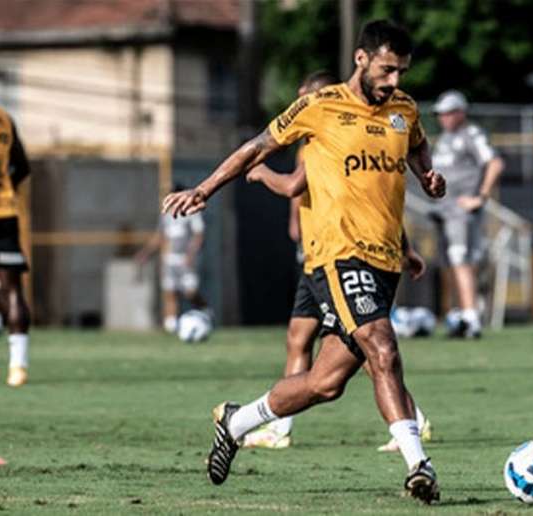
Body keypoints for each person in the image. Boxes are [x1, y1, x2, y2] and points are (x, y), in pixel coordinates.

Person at [163, 20, 445, 503]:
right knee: (383, 347)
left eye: (401, 72)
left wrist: (426, 176)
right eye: (387, 70)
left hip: (383, 262)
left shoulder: (405, 110)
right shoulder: (320, 107)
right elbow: (256, 148)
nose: (394, 81)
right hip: (336, 257)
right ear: (361, 59)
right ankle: (419, 466)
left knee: (326, 382)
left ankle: (238, 420)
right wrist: (203, 190)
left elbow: (416, 147)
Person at [242, 71, 433, 453]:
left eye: (303, 98)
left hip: (335, 260)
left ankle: (411, 422)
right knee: (319, 343)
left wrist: (262, 173)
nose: (296, 106)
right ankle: (276, 426)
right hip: (318, 257)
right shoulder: (312, 139)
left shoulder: (328, 134)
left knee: (366, 348)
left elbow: (299, 186)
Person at [430, 90, 504, 339]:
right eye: (441, 114)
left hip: (460, 211)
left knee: (461, 259)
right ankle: (460, 314)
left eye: (449, 113)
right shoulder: (445, 139)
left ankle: (472, 317)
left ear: (461, 112)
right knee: (449, 263)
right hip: (442, 210)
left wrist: (480, 197)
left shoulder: (470, 134)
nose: (444, 118)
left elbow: (494, 163)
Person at [135, 183, 209, 333]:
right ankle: (171, 325)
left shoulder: (192, 212)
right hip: (169, 259)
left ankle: (205, 311)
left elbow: (198, 235)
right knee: (170, 291)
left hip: (185, 259)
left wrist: (191, 254)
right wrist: (146, 253)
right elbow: (160, 237)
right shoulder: (166, 215)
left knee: (190, 292)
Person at [0, 106, 32, 387]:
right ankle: (18, 366)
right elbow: (22, 167)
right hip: (5, 212)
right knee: (13, 289)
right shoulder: (5, 119)